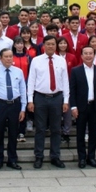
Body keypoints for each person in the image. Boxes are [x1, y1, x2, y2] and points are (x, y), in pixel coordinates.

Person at [27, 35, 70, 169]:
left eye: (53, 44)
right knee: (40, 129)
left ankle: (55, 156)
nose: (51, 46)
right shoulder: (36, 60)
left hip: (57, 97)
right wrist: (30, 100)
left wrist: (66, 100)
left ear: (56, 46)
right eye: (48, 44)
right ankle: (39, 156)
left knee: (56, 129)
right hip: (40, 97)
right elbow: (31, 81)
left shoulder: (61, 61)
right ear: (43, 46)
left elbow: (65, 81)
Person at [70, 46, 96, 168]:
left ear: (94, 55)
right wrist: (73, 107)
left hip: (95, 106)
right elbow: (73, 90)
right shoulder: (76, 71)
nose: (88, 56)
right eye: (85, 53)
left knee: (93, 133)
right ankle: (81, 158)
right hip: (81, 107)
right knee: (80, 134)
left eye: (90, 53)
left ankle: (91, 157)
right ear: (81, 56)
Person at [0, 49, 25, 170]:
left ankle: (12, 159)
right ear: (0, 58)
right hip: (0, 104)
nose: (9, 59)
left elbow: (23, 90)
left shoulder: (18, 72)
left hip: (14, 104)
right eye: (6, 57)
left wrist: (23, 108)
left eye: (10, 56)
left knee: (13, 133)